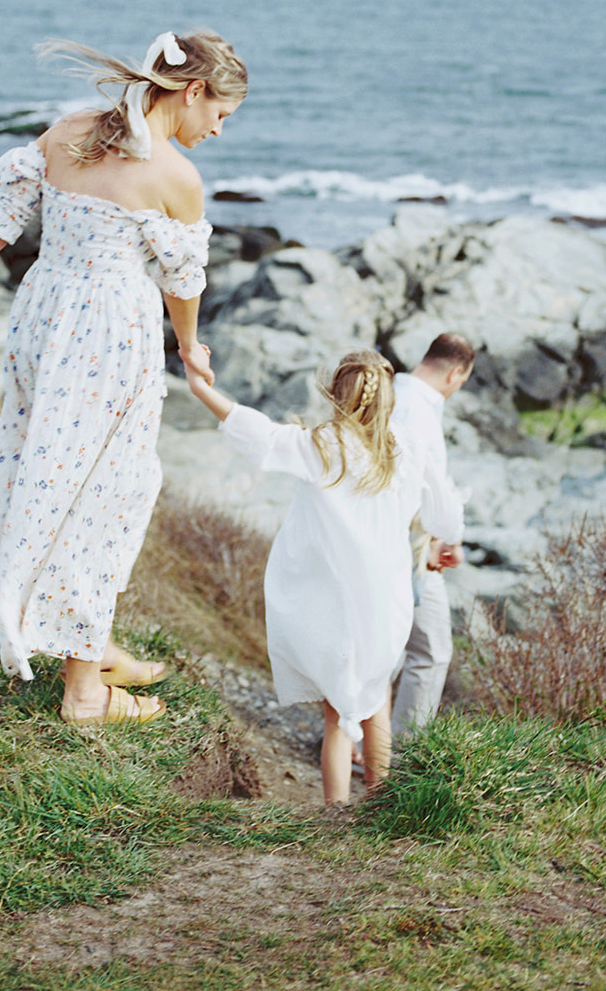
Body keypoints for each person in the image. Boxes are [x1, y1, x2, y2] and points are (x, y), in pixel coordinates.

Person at [0, 29, 247, 726]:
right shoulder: (176, 178)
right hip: (109, 336)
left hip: (42, 319)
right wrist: (190, 345)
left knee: (51, 475)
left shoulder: (70, 132)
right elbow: (182, 280)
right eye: (221, 114)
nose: (218, 130)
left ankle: (91, 640)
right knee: (107, 497)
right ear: (194, 91)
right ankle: (84, 692)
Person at [183, 348, 464, 805]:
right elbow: (447, 514)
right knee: (376, 702)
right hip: (387, 603)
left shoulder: (322, 444)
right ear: (387, 400)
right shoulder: (406, 447)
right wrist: (446, 540)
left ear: (336, 395)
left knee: (340, 711)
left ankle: (335, 811)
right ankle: (379, 800)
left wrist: (201, 388)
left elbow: (261, 435)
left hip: (337, 602)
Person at [389, 332, 474, 741]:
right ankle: (401, 756)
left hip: (383, 536)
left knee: (386, 643)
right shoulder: (420, 410)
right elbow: (431, 488)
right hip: (410, 547)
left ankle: (355, 741)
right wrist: (449, 538)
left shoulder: (389, 392)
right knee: (429, 650)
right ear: (456, 373)